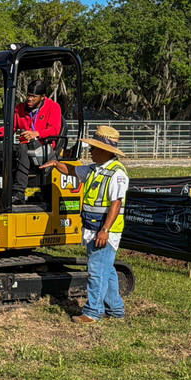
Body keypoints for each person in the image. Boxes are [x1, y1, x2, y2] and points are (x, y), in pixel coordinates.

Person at [40, 125, 129, 323]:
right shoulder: (94, 169)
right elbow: (72, 170)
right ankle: (115, 310)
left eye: (94, 148)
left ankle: (93, 312)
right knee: (107, 271)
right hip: (93, 228)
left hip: (103, 231)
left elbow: (116, 203)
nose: (90, 151)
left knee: (97, 272)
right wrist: (56, 164)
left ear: (105, 150)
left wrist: (105, 230)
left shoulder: (117, 173)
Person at [0, 80, 64, 203]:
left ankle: (19, 192)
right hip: (24, 146)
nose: (30, 99)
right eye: (28, 95)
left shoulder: (53, 107)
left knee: (22, 148)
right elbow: (10, 128)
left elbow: (54, 130)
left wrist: (37, 133)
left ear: (43, 97)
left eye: (34, 96)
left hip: (43, 148)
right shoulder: (20, 108)